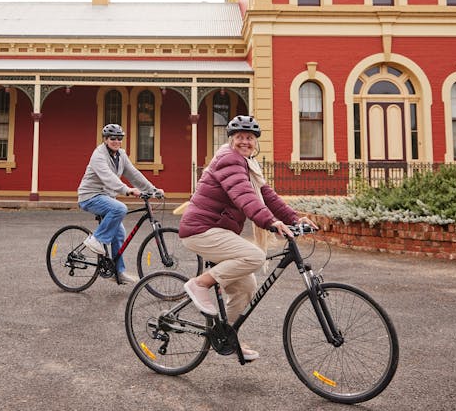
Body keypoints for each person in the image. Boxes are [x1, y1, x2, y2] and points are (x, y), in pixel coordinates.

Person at [178, 115, 315, 361]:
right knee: (254, 256)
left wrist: (295, 219)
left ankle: (227, 336)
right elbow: (244, 196)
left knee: (246, 286)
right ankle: (200, 284)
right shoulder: (229, 160)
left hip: (217, 231)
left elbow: (267, 197)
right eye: (240, 137)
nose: (245, 141)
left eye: (249, 138)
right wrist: (270, 221)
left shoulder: (250, 166)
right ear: (231, 140)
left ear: (255, 143)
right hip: (201, 230)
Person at [77, 123, 164, 285]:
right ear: (105, 139)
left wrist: (153, 189)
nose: (116, 141)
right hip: (90, 196)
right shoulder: (98, 155)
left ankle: (118, 272)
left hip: (107, 198)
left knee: (119, 233)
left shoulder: (121, 155)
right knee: (120, 208)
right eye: (112, 138)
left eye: (119, 138)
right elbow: (107, 177)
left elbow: (134, 174)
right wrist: (127, 190)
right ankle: (95, 240)